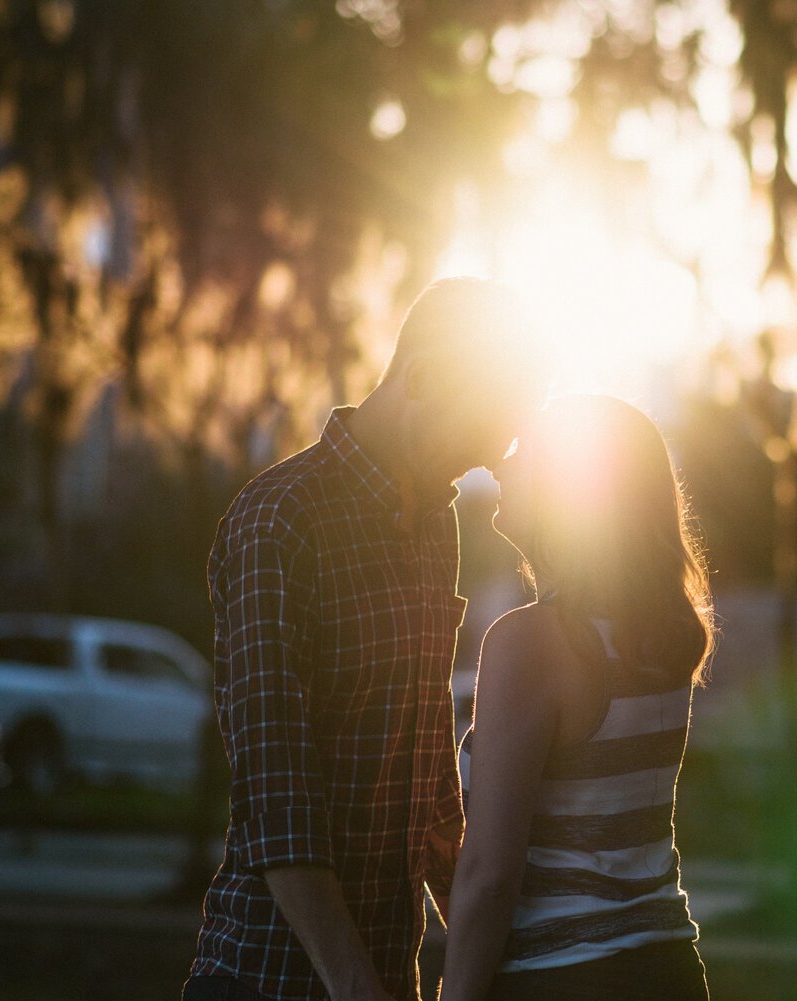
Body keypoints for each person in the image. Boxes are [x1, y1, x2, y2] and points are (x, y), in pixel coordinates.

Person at [183, 278, 550, 1001]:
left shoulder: (434, 523)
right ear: (420, 377)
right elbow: (277, 799)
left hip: (384, 974)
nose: (476, 464)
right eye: (475, 433)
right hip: (268, 981)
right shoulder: (278, 523)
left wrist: (488, 935)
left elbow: (428, 767)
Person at [440, 395, 716, 1001]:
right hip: (667, 967)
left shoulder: (531, 643)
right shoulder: (659, 635)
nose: (502, 464)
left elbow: (492, 874)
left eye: (524, 451)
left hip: (563, 978)